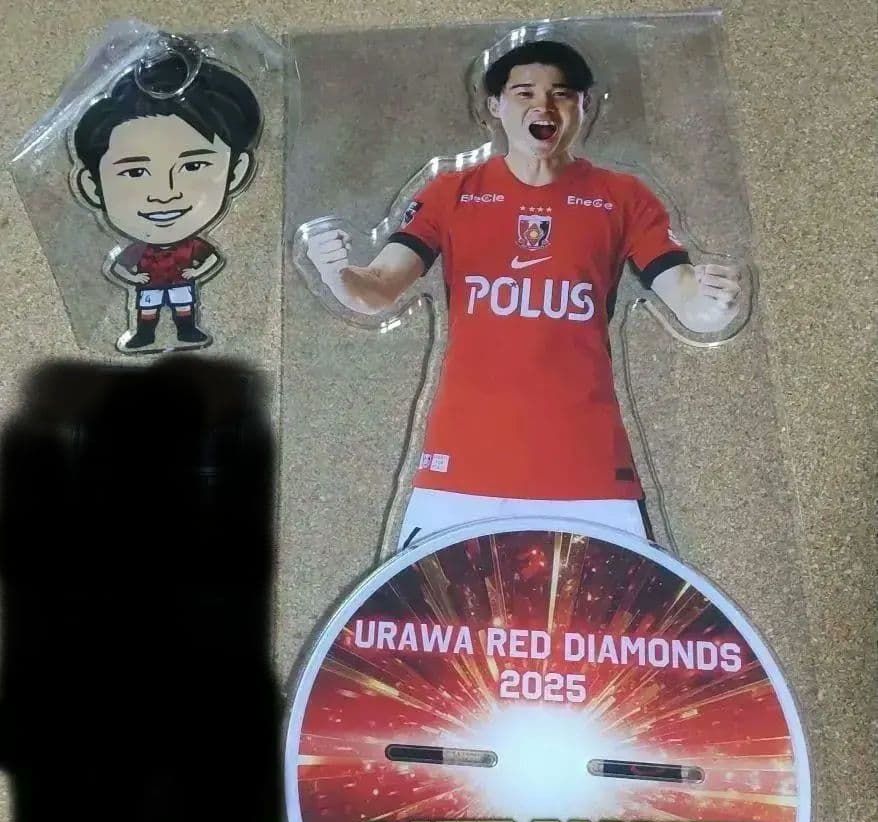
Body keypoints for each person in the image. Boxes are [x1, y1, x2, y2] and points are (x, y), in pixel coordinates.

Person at [306, 40, 742, 548]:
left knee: (610, 604)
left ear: (583, 105)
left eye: (561, 93)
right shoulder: (451, 194)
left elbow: (689, 301)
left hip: (589, 474)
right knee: (436, 603)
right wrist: (337, 272)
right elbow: (377, 288)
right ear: (495, 106)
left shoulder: (623, 198)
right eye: (525, 93)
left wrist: (713, 303)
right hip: (461, 470)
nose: (544, 106)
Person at [73, 49, 261, 353]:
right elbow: (118, 267)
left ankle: (187, 331)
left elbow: (212, 259)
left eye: (193, 166)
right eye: (135, 172)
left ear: (236, 172)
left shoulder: (191, 245)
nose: (165, 194)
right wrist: (135, 276)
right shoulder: (137, 249)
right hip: (149, 286)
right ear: (93, 188)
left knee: (183, 307)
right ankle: (144, 334)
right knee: (147, 309)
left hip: (181, 284)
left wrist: (195, 273)